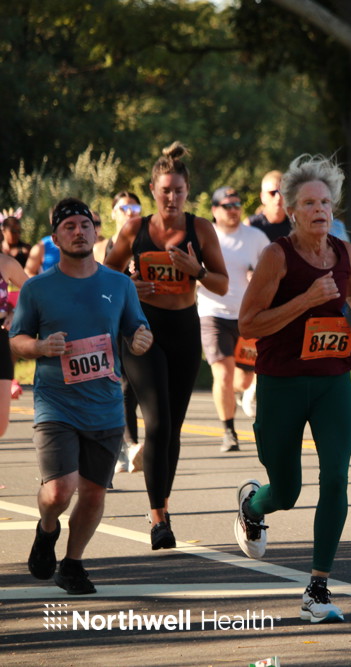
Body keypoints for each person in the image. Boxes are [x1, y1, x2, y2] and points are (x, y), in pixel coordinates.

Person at [233, 154, 351, 623]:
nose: (320, 210)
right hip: (282, 382)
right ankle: (254, 505)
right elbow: (248, 324)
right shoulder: (277, 256)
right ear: (291, 211)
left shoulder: (344, 252)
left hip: (333, 379)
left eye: (326, 203)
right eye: (310, 203)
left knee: (336, 477)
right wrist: (305, 300)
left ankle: (317, 588)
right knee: (287, 491)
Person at [11, 198, 152, 594]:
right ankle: (47, 527)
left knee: (92, 493)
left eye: (84, 225)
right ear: (55, 238)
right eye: (69, 227)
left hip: (105, 406)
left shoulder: (119, 284)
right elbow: (16, 339)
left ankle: (72, 564)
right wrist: (40, 347)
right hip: (56, 404)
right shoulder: (37, 288)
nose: (78, 232)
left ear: (95, 231)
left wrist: (141, 339)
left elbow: (138, 328)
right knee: (60, 490)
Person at [105, 142, 229, 550]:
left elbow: (222, 284)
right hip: (142, 331)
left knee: (172, 428)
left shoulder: (201, 229)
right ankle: (158, 516)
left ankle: (163, 504)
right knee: (157, 422)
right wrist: (129, 284)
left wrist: (198, 271)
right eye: (164, 191)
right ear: (152, 191)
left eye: (178, 190)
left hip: (184, 330)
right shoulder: (134, 230)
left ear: (188, 191)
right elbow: (106, 277)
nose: (171, 198)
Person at [198, 186, 270, 452]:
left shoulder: (256, 237)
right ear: (215, 210)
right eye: (227, 205)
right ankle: (229, 431)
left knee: (243, 381)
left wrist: (258, 277)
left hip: (247, 316)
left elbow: (273, 270)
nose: (233, 210)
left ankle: (241, 397)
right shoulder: (206, 237)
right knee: (224, 375)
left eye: (237, 205)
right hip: (213, 313)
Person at [96, 191, 144, 473]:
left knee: (134, 387)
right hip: (112, 324)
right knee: (119, 385)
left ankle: (129, 445)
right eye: (124, 208)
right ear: (113, 213)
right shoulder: (103, 247)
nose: (129, 213)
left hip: (142, 322)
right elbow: (95, 286)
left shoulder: (147, 246)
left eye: (135, 208)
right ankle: (127, 446)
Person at [0, 246, 29, 435]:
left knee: (1, 424)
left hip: (0, 337)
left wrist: (15, 312)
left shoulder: (5, 263)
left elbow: (34, 292)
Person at [247, 170, 291, 242]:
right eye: (272, 193)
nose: (278, 197)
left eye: (282, 192)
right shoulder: (250, 226)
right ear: (262, 197)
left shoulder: (296, 225)